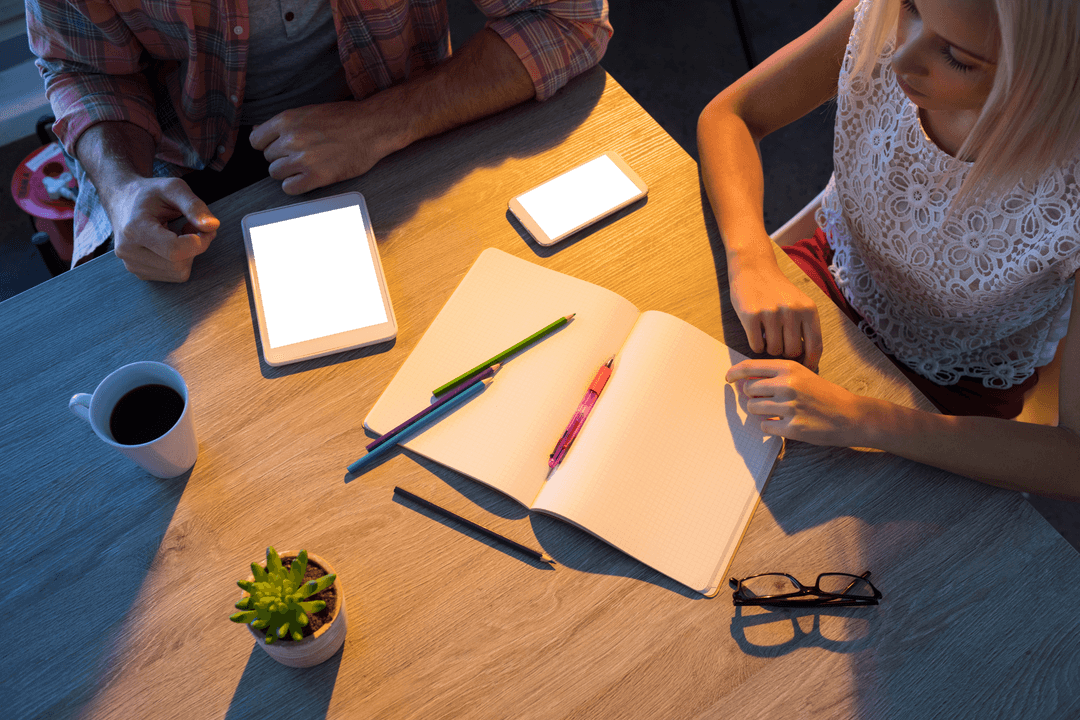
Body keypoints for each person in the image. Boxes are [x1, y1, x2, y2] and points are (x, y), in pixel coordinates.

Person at [697, 0, 1080, 499]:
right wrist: (751, 257)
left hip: (949, 395)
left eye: (959, 58)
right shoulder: (880, 14)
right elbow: (733, 114)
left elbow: (1072, 458)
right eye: (913, 8)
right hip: (824, 277)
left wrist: (861, 417)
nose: (900, 57)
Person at [26, 0, 610, 281]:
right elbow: (86, 70)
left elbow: (569, 20)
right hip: (178, 165)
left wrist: (383, 122)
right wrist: (122, 187)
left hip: (399, 127)